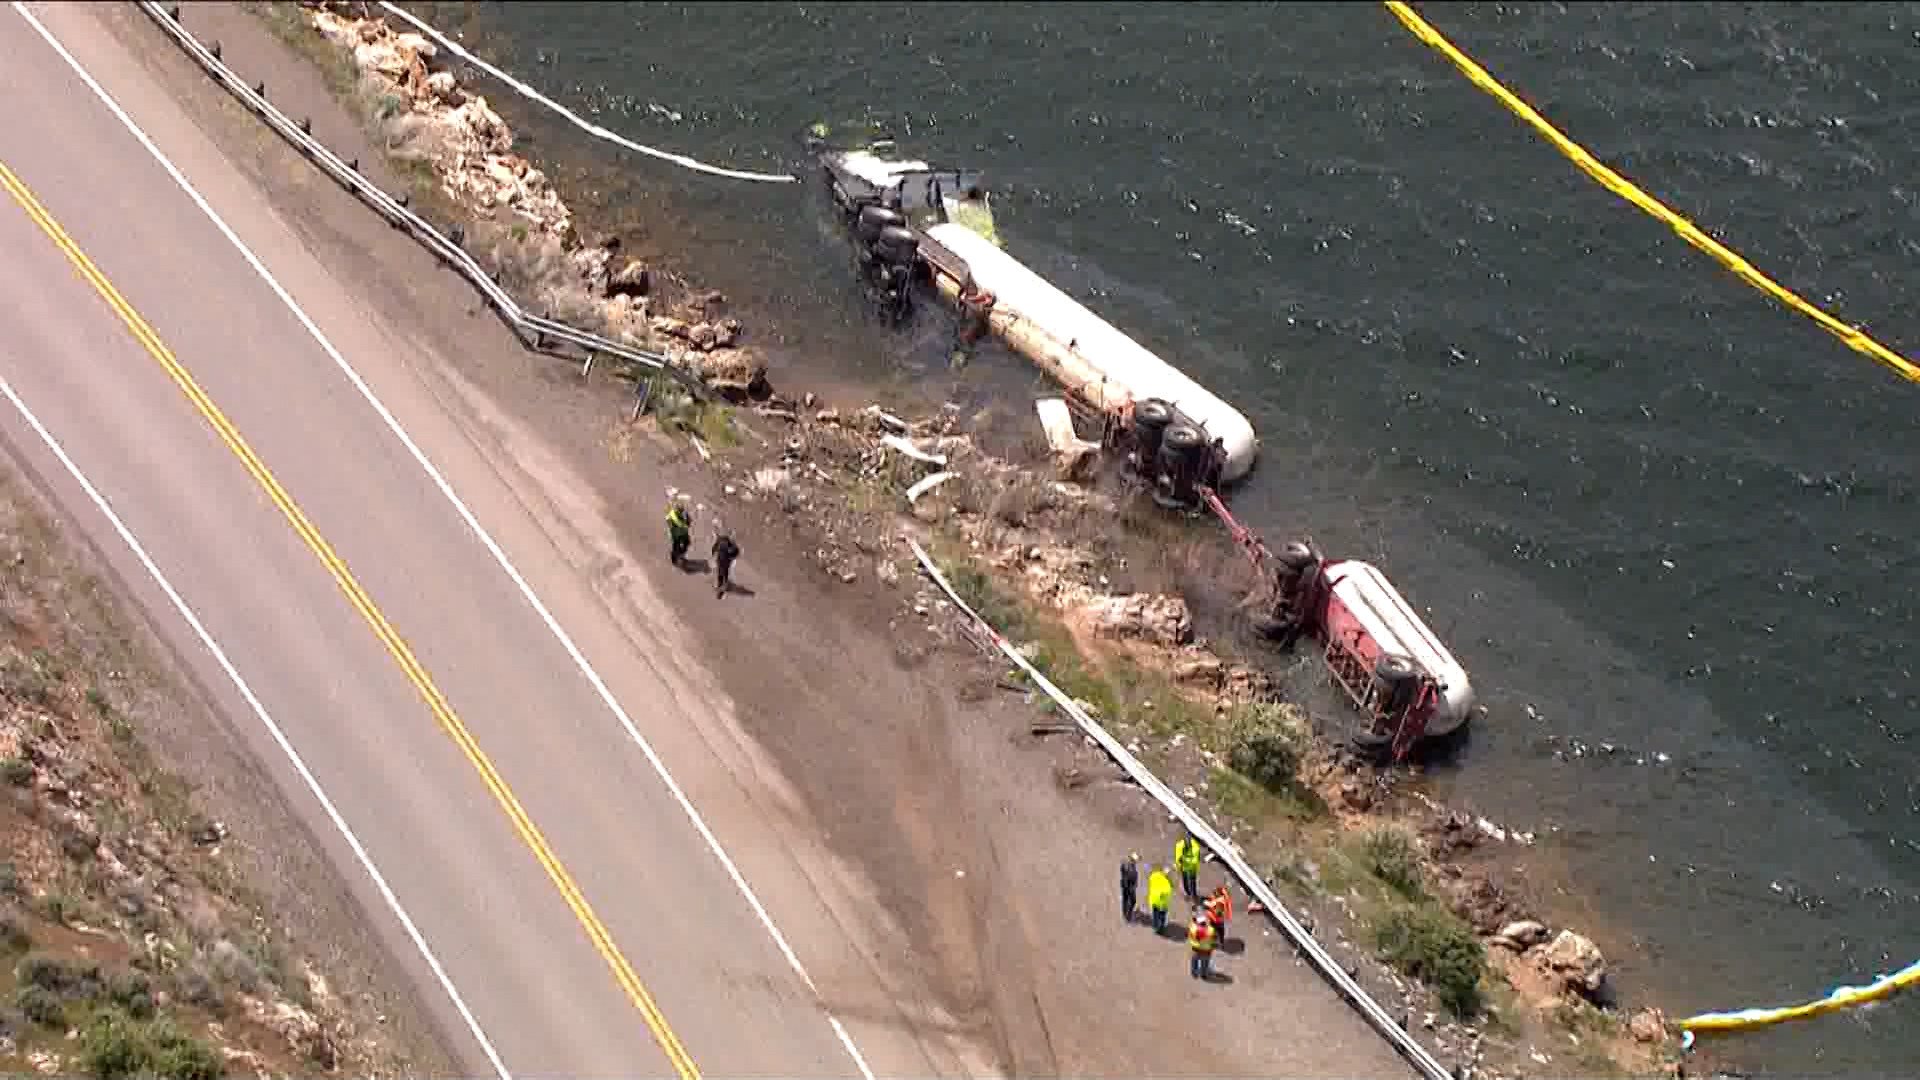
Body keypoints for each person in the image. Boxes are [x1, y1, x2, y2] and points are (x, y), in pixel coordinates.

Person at [712, 524, 740, 599]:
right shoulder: (725, 541)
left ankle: (721, 586)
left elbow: (736, 552)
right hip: (723, 562)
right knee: (722, 574)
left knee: (721, 574)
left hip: (722, 562)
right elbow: (736, 552)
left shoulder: (724, 541)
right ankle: (722, 585)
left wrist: (713, 553)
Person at [1174, 832, 1203, 904]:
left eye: (1189, 839)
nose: (1187, 841)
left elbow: (1195, 860)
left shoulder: (1195, 847)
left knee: (1192, 881)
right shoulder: (1179, 845)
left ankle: (1193, 896)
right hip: (1184, 867)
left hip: (1191, 867)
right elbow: (1178, 857)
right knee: (1185, 881)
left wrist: (1184, 860)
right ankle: (1189, 894)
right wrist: (1180, 863)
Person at [1187, 911, 1217, 980]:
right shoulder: (1210, 930)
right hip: (1206, 950)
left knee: (1194, 962)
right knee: (1205, 963)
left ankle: (1194, 973)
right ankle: (1203, 974)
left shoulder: (1193, 929)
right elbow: (1214, 940)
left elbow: (1190, 934)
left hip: (1196, 949)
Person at [1146, 864, 1173, 936]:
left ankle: (1155, 927)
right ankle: (1161, 929)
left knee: (1155, 915)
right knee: (1162, 916)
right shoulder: (1167, 884)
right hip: (1162, 903)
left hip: (1154, 900)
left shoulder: (1155, 876)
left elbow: (1151, 878)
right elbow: (1167, 892)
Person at [666, 493, 692, 567]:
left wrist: (687, 521)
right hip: (676, 533)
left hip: (683, 532)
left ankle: (680, 555)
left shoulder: (684, 513)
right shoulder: (673, 514)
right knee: (676, 546)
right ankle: (675, 559)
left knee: (687, 543)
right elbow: (669, 521)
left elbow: (689, 521)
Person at [1119, 852, 1140, 925]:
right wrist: (1134, 886)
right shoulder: (1132, 870)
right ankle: (1128, 916)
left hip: (1124, 885)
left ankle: (1125, 913)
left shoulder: (1124, 864)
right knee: (1133, 901)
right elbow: (1133, 880)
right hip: (1129, 887)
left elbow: (1122, 870)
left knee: (1125, 900)